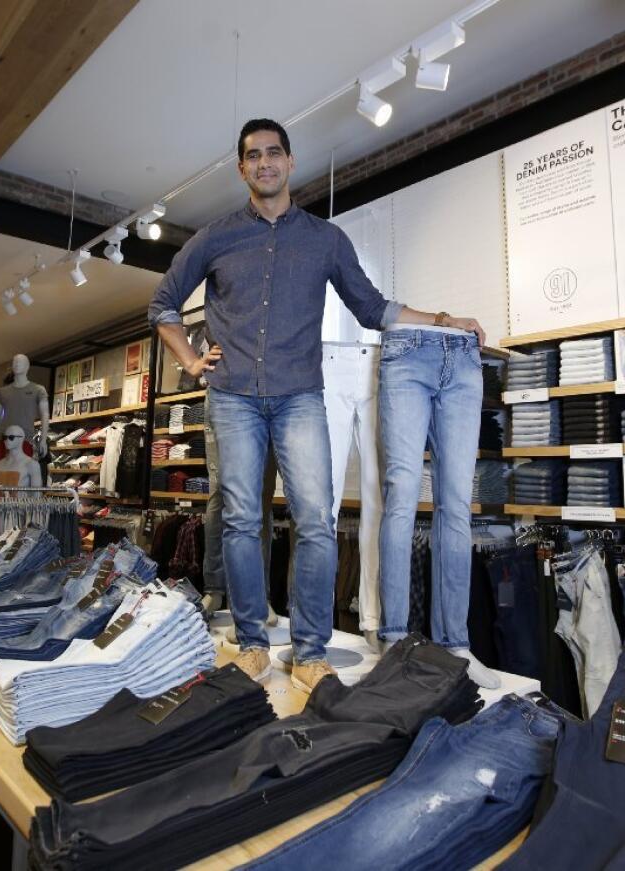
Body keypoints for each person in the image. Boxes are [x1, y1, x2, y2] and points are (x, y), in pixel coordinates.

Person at [148, 118, 486, 693]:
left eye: (273, 153)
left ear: (290, 160)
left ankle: (308, 649)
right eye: (253, 156)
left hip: (300, 395)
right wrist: (188, 359)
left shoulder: (325, 239)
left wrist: (443, 320)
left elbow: (373, 308)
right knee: (239, 520)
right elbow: (163, 305)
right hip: (231, 398)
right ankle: (253, 643)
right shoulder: (215, 237)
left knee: (316, 523)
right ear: (242, 168)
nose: (264, 163)